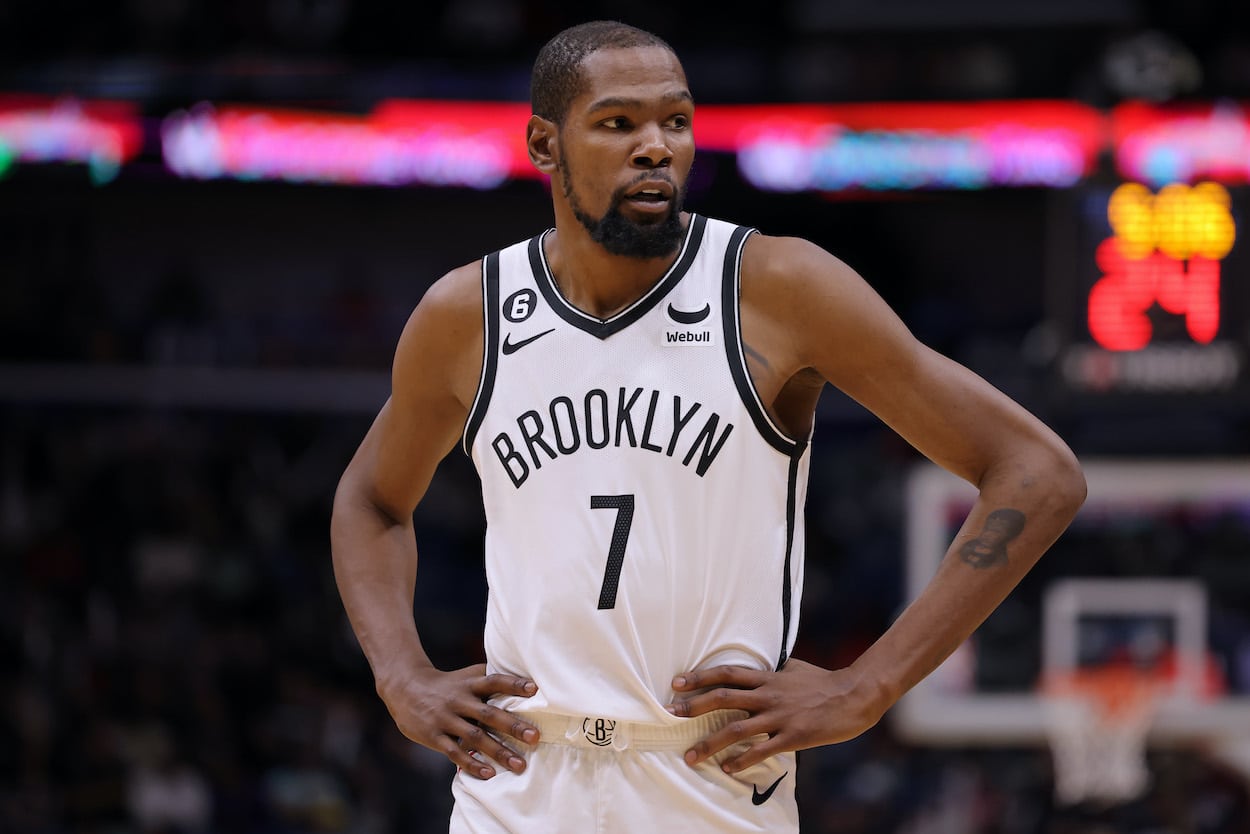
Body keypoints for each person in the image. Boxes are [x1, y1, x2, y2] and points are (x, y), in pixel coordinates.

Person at [330, 20, 1087, 833]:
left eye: (676, 121)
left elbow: (1036, 471)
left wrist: (869, 685)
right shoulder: (467, 315)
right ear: (545, 145)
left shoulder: (776, 286)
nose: (656, 147)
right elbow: (371, 501)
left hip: (710, 779)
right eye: (619, 123)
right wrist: (400, 675)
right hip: (517, 780)